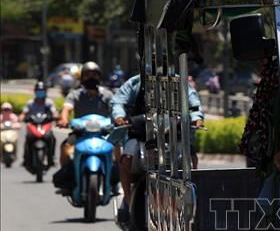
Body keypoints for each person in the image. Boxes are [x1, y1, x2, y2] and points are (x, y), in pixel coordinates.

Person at [111, 74, 205, 222]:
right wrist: (119, 116)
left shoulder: (178, 81)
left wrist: (197, 118)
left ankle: (192, 203)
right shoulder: (134, 82)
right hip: (140, 134)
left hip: (174, 136)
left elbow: (193, 103)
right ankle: (128, 203)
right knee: (125, 161)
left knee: (192, 158)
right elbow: (118, 102)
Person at [57, 61, 114, 167]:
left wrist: (119, 119)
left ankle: (116, 172)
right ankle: (66, 174)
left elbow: (115, 110)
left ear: (99, 77)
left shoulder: (108, 95)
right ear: (82, 78)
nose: (91, 78)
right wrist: (64, 119)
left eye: (94, 75)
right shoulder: (75, 94)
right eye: (87, 75)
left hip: (104, 133)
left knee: (117, 146)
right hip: (80, 133)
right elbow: (66, 109)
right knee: (65, 146)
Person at [18, 82, 58, 167]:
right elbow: (24, 113)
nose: (40, 93)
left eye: (42, 91)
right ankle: (26, 158)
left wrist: (56, 116)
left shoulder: (49, 103)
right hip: (33, 125)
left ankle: (52, 157)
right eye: (38, 91)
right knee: (28, 138)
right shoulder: (30, 103)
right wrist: (21, 118)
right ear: (35, 92)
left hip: (45, 125)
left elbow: (54, 112)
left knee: (52, 138)